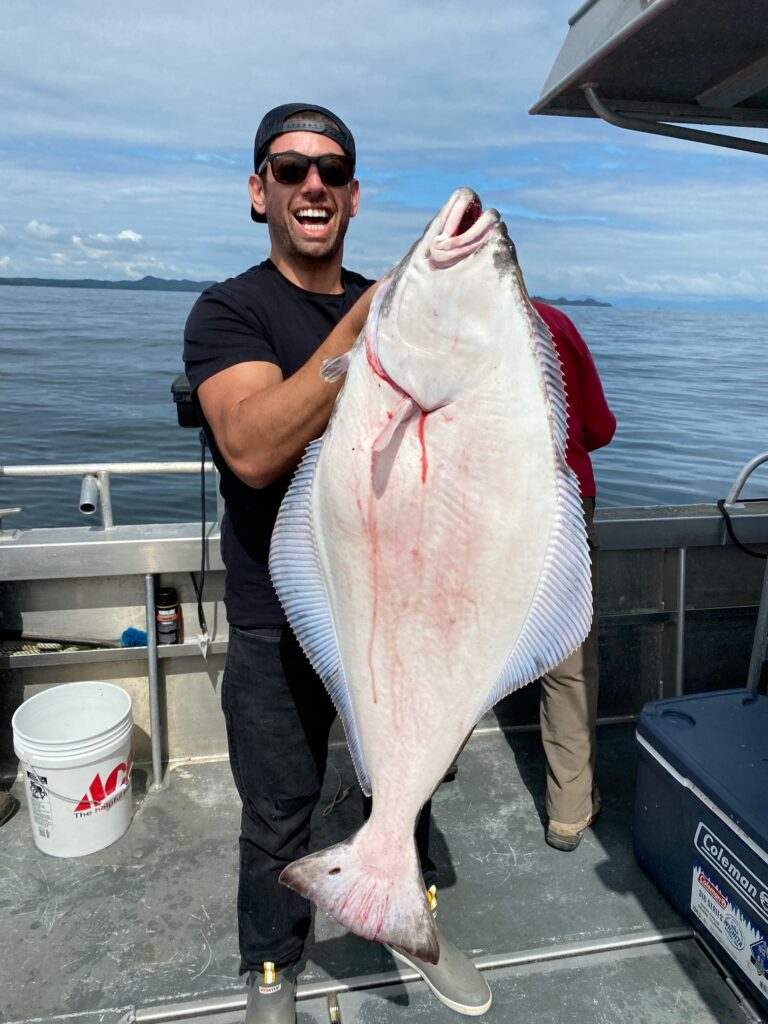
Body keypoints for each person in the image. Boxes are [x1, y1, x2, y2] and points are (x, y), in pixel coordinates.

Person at [184, 103, 492, 1023]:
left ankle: (411, 918)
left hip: (398, 609)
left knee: (409, 784)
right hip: (280, 616)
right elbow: (249, 446)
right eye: (289, 169)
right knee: (278, 804)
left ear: (353, 196)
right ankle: (271, 967)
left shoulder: (399, 306)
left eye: (331, 170)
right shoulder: (230, 309)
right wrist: (361, 335)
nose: (310, 183)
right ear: (259, 192)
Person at [531, 301, 616, 852]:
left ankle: (436, 770)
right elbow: (599, 428)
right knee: (567, 662)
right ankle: (568, 810)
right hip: (561, 499)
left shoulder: (439, 327)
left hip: (474, 508)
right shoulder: (552, 322)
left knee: (465, 650)